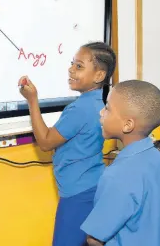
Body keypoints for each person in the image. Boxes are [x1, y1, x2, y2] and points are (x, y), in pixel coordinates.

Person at [18, 42, 116, 246]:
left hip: (78, 194)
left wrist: (32, 100)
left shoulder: (79, 108)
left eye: (79, 66)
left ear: (99, 76)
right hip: (95, 184)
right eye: (72, 64)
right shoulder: (102, 101)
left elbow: (45, 142)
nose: (71, 69)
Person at [81, 80, 160, 246]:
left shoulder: (117, 175)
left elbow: (95, 238)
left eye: (108, 108)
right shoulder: (157, 159)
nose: (101, 112)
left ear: (127, 125)